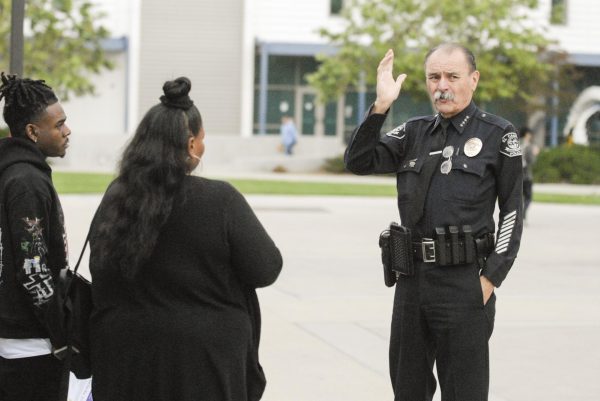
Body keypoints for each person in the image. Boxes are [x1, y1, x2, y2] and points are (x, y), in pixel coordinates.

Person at [345, 44, 523, 401]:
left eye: (452, 77)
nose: (442, 85)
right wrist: (381, 107)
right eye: (434, 77)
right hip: (412, 283)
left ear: (473, 80)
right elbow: (358, 160)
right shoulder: (412, 133)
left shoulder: (498, 135)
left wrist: (490, 279)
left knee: (464, 393)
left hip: (464, 284)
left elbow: (512, 212)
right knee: (408, 390)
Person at [88, 77, 283, 401]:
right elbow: (266, 268)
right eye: (203, 138)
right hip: (204, 365)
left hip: (125, 361)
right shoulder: (220, 200)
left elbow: (100, 266)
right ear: (191, 144)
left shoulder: (117, 197)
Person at [0, 72, 72, 401]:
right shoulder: (26, 181)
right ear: (32, 131)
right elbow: (33, 270)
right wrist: (62, 336)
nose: (67, 131)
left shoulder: (14, 172)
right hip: (28, 350)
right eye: (59, 125)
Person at [519, 126, 539, 222]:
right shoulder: (528, 146)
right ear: (527, 134)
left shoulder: (516, 143)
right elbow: (531, 161)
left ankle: (517, 216)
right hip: (526, 175)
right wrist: (535, 154)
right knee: (528, 197)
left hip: (516, 176)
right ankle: (523, 214)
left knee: (518, 197)